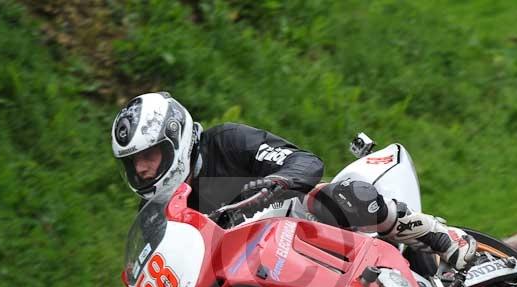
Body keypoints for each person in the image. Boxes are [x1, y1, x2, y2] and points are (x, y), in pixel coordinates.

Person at [111, 92, 476, 270]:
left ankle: (435, 235)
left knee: (335, 195)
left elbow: (303, 162)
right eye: (134, 163)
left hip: (298, 224)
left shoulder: (227, 141)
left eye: (149, 155)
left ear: (175, 139)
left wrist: (276, 182)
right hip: (253, 269)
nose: (142, 169)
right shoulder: (157, 213)